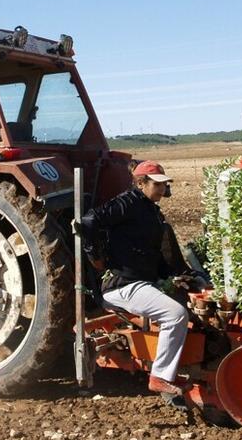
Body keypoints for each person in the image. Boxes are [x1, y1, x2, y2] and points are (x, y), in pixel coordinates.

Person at [78, 160, 193, 397]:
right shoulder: (127, 203)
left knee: (185, 303)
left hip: (141, 281)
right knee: (175, 315)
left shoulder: (151, 211)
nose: (162, 190)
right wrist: (95, 255)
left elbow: (154, 254)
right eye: (157, 185)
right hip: (123, 284)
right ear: (141, 183)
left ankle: (179, 368)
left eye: (164, 185)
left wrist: (176, 277)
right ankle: (160, 376)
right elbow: (90, 221)